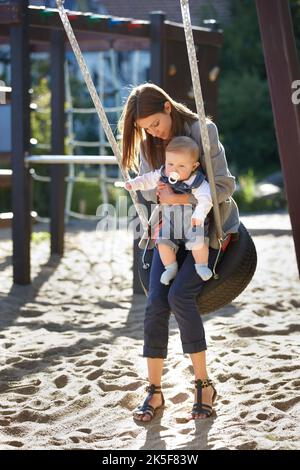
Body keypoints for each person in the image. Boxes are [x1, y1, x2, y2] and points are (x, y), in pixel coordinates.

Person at [119, 83, 240, 421]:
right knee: (156, 301)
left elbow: (226, 185)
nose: (154, 134)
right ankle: (154, 392)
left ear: (168, 108)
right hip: (170, 231)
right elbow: (147, 194)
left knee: (180, 298)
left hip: (206, 228)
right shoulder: (150, 146)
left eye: (155, 124)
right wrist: (152, 193)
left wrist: (183, 198)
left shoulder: (203, 131)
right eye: (146, 129)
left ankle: (204, 385)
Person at [124, 136, 214, 284]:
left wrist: (199, 214)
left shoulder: (197, 182)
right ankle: (170, 268)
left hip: (192, 223)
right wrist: (134, 184)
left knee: (199, 243)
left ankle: (201, 266)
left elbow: (206, 199)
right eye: (170, 164)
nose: (174, 170)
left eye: (181, 166)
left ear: (194, 166)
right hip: (170, 223)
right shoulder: (163, 174)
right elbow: (147, 179)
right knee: (162, 243)